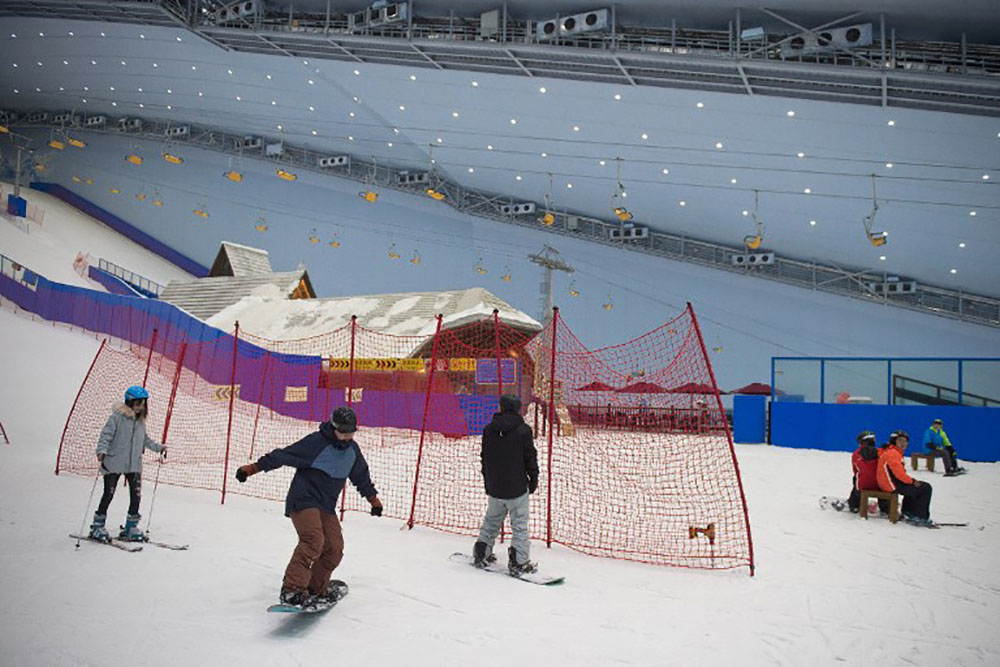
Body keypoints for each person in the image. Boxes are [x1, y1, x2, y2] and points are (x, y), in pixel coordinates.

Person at [235, 407, 382, 609]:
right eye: (343, 432)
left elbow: (361, 476)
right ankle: (292, 590)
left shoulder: (352, 451)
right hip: (303, 500)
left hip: (326, 506)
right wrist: (251, 469)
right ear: (333, 427)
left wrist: (373, 500)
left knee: (334, 549)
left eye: (351, 432)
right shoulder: (316, 443)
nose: (347, 436)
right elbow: (282, 456)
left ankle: (314, 589)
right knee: (313, 540)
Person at [89, 385, 167, 542]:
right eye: (139, 403)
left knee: (136, 495)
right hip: (114, 462)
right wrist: (101, 451)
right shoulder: (117, 418)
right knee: (108, 493)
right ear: (130, 402)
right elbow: (106, 435)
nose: (141, 407)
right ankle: (98, 525)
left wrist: (159, 448)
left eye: (143, 403)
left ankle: (131, 527)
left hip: (134, 464)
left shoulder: (140, 422)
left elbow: (144, 440)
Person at [473, 394, 540, 575]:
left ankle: (481, 552)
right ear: (518, 409)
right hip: (517, 488)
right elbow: (530, 458)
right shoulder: (523, 430)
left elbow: (484, 458)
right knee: (519, 525)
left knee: (492, 521)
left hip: (496, 486)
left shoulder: (488, 430)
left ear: (501, 407)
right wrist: (533, 479)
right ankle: (519, 561)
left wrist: (488, 481)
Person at [877, 430, 934, 527]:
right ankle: (919, 516)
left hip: (888, 482)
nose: (903, 443)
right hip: (890, 484)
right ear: (894, 441)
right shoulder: (893, 453)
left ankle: (909, 512)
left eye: (905, 441)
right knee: (925, 488)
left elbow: (899, 474)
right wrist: (912, 481)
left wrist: (911, 482)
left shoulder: (893, 452)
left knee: (915, 487)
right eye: (900, 440)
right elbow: (899, 475)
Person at [847, 430, 885, 514]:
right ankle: (885, 507)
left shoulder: (856, 454)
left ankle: (854, 504)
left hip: (863, 486)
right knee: (883, 480)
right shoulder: (881, 452)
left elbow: (855, 470)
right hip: (880, 485)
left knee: (857, 478)